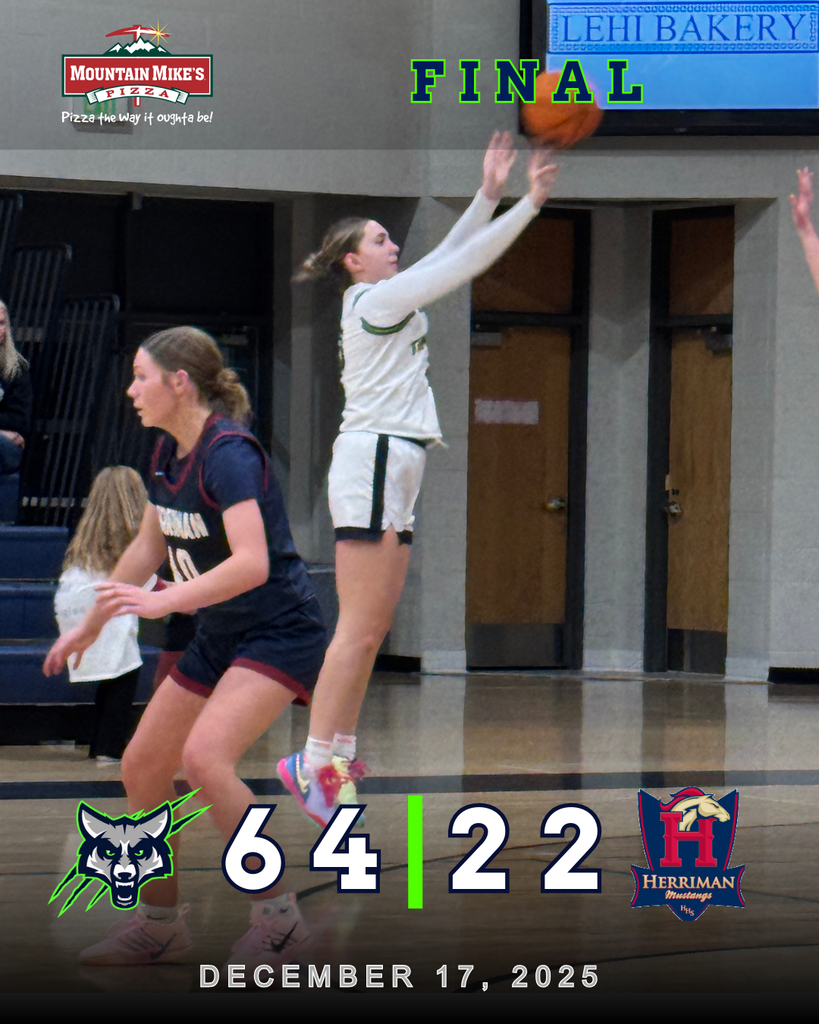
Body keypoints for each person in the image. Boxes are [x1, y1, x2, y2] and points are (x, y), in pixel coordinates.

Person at [278, 133, 560, 828]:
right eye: (378, 237)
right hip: (374, 456)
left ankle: (337, 752)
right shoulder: (373, 302)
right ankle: (311, 758)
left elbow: (444, 257)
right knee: (355, 627)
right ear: (354, 260)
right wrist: (527, 207)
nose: (391, 243)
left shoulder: (388, 294)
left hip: (398, 460)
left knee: (373, 629)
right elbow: (459, 266)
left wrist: (489, 194)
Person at [43, 326, 326, 969]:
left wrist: (171, 600)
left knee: (204, 761)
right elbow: (148, 548)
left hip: (279, 629)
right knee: (142, 767)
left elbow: (253, 563)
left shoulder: (229, 454)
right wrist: (89, 623)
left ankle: (281, 920)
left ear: (180, 383)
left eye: (142, 376)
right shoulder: (167, 455)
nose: (131, 388)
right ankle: (161, 925)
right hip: (221, 634)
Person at [54, 466, 152, 763]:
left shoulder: (90, 529)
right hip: (100, 606)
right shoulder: (130, 534)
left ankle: (99, 743)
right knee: (124, 671)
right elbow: (143, 580)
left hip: (72, 602)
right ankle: (108, 749)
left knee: (111, 673)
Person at [0, 299, 32, 476]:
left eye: (2, 323)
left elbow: (20, 419)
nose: (0, 330)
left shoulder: (16, 367)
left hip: (6, 447)